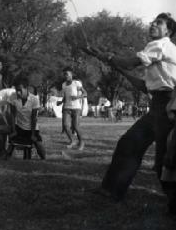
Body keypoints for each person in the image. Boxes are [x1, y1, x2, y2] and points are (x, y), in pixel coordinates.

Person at [84, 13, 176, 213]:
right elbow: (145, 85)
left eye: (158, 23)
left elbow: (128, 62)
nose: (152, 24)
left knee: (165, 161)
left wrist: (105, 56)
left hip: (168, 107)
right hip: (160, 106)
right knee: (130, 143)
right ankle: (111, 190)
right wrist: (117, 66)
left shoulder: (160, 45)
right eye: (152, 21)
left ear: (168, 30)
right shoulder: (161, 50)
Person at [6, 76, 46, 160]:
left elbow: (33, 118)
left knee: (39, 145)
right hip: (19, 127)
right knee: (12, 142)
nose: (18, 93)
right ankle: (6, 153)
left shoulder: (34, 99)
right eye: (16, 90)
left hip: (32, 128)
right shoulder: (12, 97)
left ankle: (43, 158)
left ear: (26, 88)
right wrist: (13, 131)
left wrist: (33, 134)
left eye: (20, 90)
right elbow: (12, 115)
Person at [57, 67, 87, 150]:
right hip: (67, 108)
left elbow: (85, 93)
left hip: (76, 108)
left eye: (67, 74)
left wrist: (77, 97)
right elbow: (65, 97)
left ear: (71, 75)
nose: (65, 76)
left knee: (76, 127)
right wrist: (61, 102)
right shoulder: (63, 84)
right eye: (64, 74)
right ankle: (72, 141)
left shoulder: (76, 83)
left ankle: (81, 142)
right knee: (66, 126)